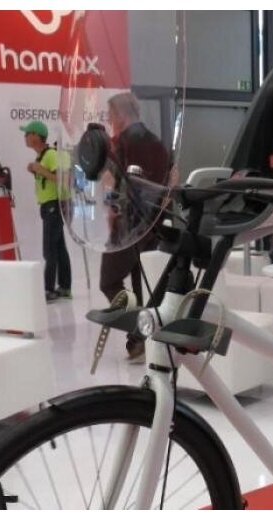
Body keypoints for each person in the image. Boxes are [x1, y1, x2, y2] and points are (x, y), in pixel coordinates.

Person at [100, 92, 170, 361]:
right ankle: (143, 340)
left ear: (121, 114)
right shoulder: (156, 142)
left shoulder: (123, 144)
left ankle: (139, 332)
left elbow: (115, 182)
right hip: (152, 223)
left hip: (127, 225)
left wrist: (112, 208)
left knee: (109, 281)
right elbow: (171, 177)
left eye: (110, 115)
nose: (109, 120)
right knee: (143, 282)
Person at [20, 120, 72, 303]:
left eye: (27, 133)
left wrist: (40, 170)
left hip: (53, 206)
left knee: (49, 249)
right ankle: (64, 287)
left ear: (36, 136)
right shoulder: (42, 156)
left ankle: (48, 290)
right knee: (58, 248)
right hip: (49, 206)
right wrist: (37, 169)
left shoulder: (50, 155)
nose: (25, 137)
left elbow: (62, 179)